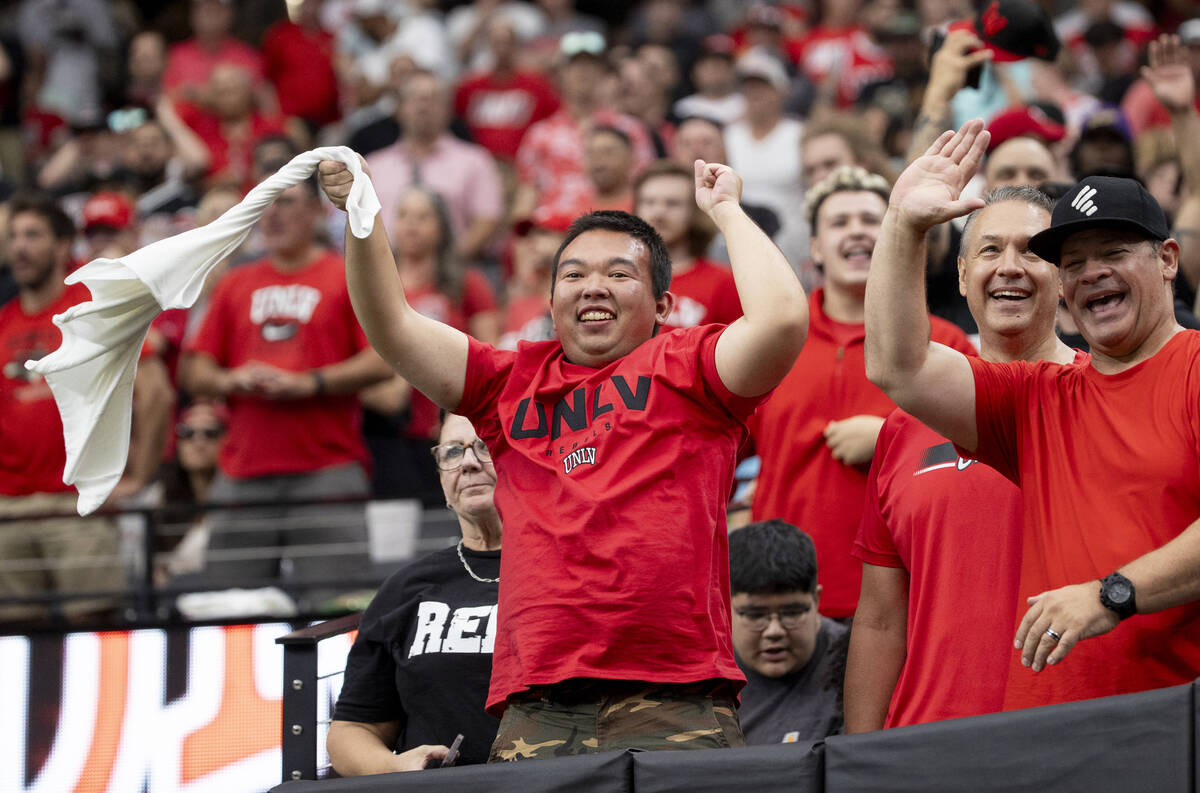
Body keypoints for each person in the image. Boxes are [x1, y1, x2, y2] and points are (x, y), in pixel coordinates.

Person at [317, 154, 807, 759]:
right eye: (572, 275)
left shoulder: (691, 367)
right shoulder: (504, 384)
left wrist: (727, 211)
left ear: (662, 306)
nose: (593, 285)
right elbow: (391, 324)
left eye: (619, 274)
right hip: (536, 708)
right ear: (550, 302)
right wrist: (362, 215)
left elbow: (782, 319)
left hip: (673, 695)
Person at [863, 119, 1200, 712]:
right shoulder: (1038, 398)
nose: (1092, 272)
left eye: (1114, 253)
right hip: (1043, 728)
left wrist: (1111, 595)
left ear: (1168, 259)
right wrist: (903, 225)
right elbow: (899, 367)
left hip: (1170, 721)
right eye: (1074, 262)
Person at [845, 186, 1080, 732]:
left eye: (1033, 251)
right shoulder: (904, 425)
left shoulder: (1100, 398)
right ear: (960, 274)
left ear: (1065, 276)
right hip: (926, 741)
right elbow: (881, 618)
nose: (1011, 268)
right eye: (991, 250)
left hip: (1069, 733)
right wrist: (858, 753)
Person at [750, 166, 974, 620]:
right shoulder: (769, 341)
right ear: (814, 248)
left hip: (902, 602)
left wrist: (894, 439)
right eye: (839, 222)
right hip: (782, 603)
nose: (856, 232)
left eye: (871, 221)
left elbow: (985, 457)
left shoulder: (946, 343)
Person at [179, 177, 392, 593]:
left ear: (316, 211)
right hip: (243, 470)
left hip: (326, 470)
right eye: (267, 204)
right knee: (229, 612)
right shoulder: (235, 282)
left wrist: (308, 384)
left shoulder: (345, 275)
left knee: (334, 611)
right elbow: (193, 370)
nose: (273, 213)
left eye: (287, 202)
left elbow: (383, 358)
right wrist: (232, 379)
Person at [328, 414, 502, 773]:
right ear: (440, 478)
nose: (468, 463)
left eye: (485, 445)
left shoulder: (572, 569)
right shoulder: (406, 588)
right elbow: (352, 729)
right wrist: (397, 768)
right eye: (453, 452)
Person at [0, 193, 125, 623]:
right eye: (13, 236)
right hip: (9, 508)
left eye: (32, 235)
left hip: (76, 504)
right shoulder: (2, 323)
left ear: (61, 245)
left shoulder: (88, 312)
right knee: (14, 639)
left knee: (96, 630)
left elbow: (153, 393)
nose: (19, 247)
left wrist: (137, 476)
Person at [361, 187, 500, 504]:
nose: (411, 225)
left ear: (442, 227)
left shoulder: (467, 284)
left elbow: (490, 357)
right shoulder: (375, 286)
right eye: (404, 216)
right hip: (389, 436)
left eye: (423, 217)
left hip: (453, 431)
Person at [367, 70, 504, 264]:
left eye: (433, 98)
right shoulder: (374, 166)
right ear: (400, 108)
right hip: (384, 275)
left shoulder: (475, 162)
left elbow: (487, 221)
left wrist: (444, 268)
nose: (423, 105)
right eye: (415, 98)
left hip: (453, 278)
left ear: (448, 109)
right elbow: (358, 225)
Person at [730, 519, 847, 744]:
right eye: (755, 616)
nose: (774, 631)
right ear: (725, 607)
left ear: (816, 600)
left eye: (792, 613)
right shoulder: (703, 679)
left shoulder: (853, 666)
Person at [634, 159, 740, 328]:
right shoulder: (616, 277)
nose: (658, 212)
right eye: (649, 202)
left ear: (694, 212)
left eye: (672, 203)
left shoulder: (724, 283)